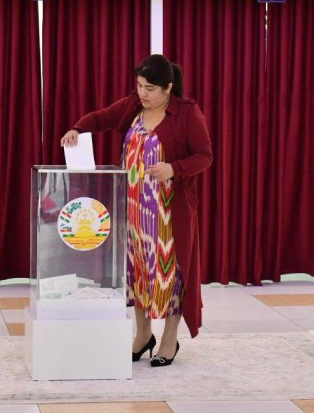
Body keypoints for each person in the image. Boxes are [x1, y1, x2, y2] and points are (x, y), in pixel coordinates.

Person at [61, 54, 212, 367]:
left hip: (168, 213)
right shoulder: (133, 105)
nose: (142, 93)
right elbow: (101, 118)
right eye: (140, 85)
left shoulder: (187, 113)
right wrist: (78, 128)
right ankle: (143, 335)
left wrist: (174, 168)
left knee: (170, 276)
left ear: (168, 88)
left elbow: (204, 156)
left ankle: (169, 339)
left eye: (150, 88)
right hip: (131, 211)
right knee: (138, 274)